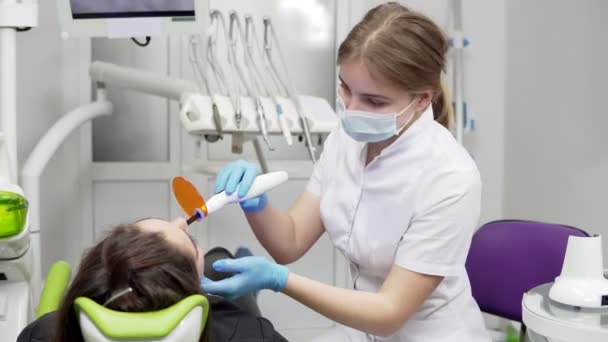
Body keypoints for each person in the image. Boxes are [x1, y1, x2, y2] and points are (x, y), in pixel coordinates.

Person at [201, 3, 491, 341]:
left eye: (374, 101)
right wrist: (255, 203)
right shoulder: (346, 140)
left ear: (423, 99)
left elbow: (389, 313)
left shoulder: (450, 177)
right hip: (364, 329)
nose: (352, 110)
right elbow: (290, 241)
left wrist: (281, 281)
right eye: (346, 88)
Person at [17, 218, 287, 342]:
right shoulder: (251, 333)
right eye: (192, 245)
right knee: (222, 261)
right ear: (193, 290)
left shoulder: (44, 333)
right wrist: (281, 280)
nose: (181, 221)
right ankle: (232, 257)